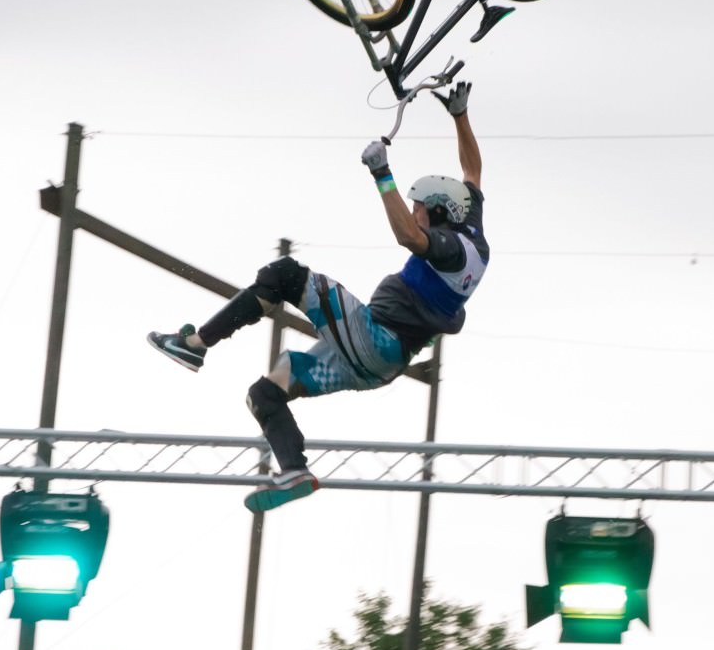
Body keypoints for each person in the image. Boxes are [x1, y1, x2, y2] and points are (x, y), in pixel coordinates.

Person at [147, 81, 487, 512]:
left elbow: (407, 235)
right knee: (266, 393)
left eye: (420, 206)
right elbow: (472, 171)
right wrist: (461, 115)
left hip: (375, 338)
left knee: (285, 275)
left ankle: (194, 345)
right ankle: (293, 469)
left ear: (439, 212)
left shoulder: (450, 248)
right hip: (375, 366)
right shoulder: (470, 225)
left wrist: (383, 176)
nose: (414, 210)